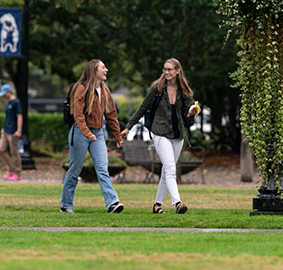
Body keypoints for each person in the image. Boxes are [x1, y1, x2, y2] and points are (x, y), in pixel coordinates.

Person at [121, 58, 200, 214]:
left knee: (166, 170)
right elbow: (142, 108)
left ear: (178, 71)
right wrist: (128, 127)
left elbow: (188, 121)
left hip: (178, 135)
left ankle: (157, 205)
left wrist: (191, 114)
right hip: (160, 132)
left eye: (170, 69)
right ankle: (177, 203)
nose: (167, 72)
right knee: (170, 168)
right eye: (165, 69)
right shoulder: (157, 89)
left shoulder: (185, 93)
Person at [60, 59, 124, 214]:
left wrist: (117, 135)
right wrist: (87, 134)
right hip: (81, 132)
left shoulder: (105, 90)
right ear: (94, 71)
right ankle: (66, 205)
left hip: (98, 133)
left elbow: (111, 115)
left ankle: (112, 203)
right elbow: (78, 116)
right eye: (103, 67)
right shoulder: (81, 88)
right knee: (75, 169)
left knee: (103, 169)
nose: (106, 70)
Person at [0, 83, 23, 181]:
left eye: (4, 93)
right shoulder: (7, 103)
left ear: (9, 92)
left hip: (13, 132)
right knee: (1, 150)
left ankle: (17, 173)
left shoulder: (16, 102)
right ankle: (10, 169)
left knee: (14, 152)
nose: (3, 95)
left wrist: (19, 130)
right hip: (5, 131)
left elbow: (19, 117)